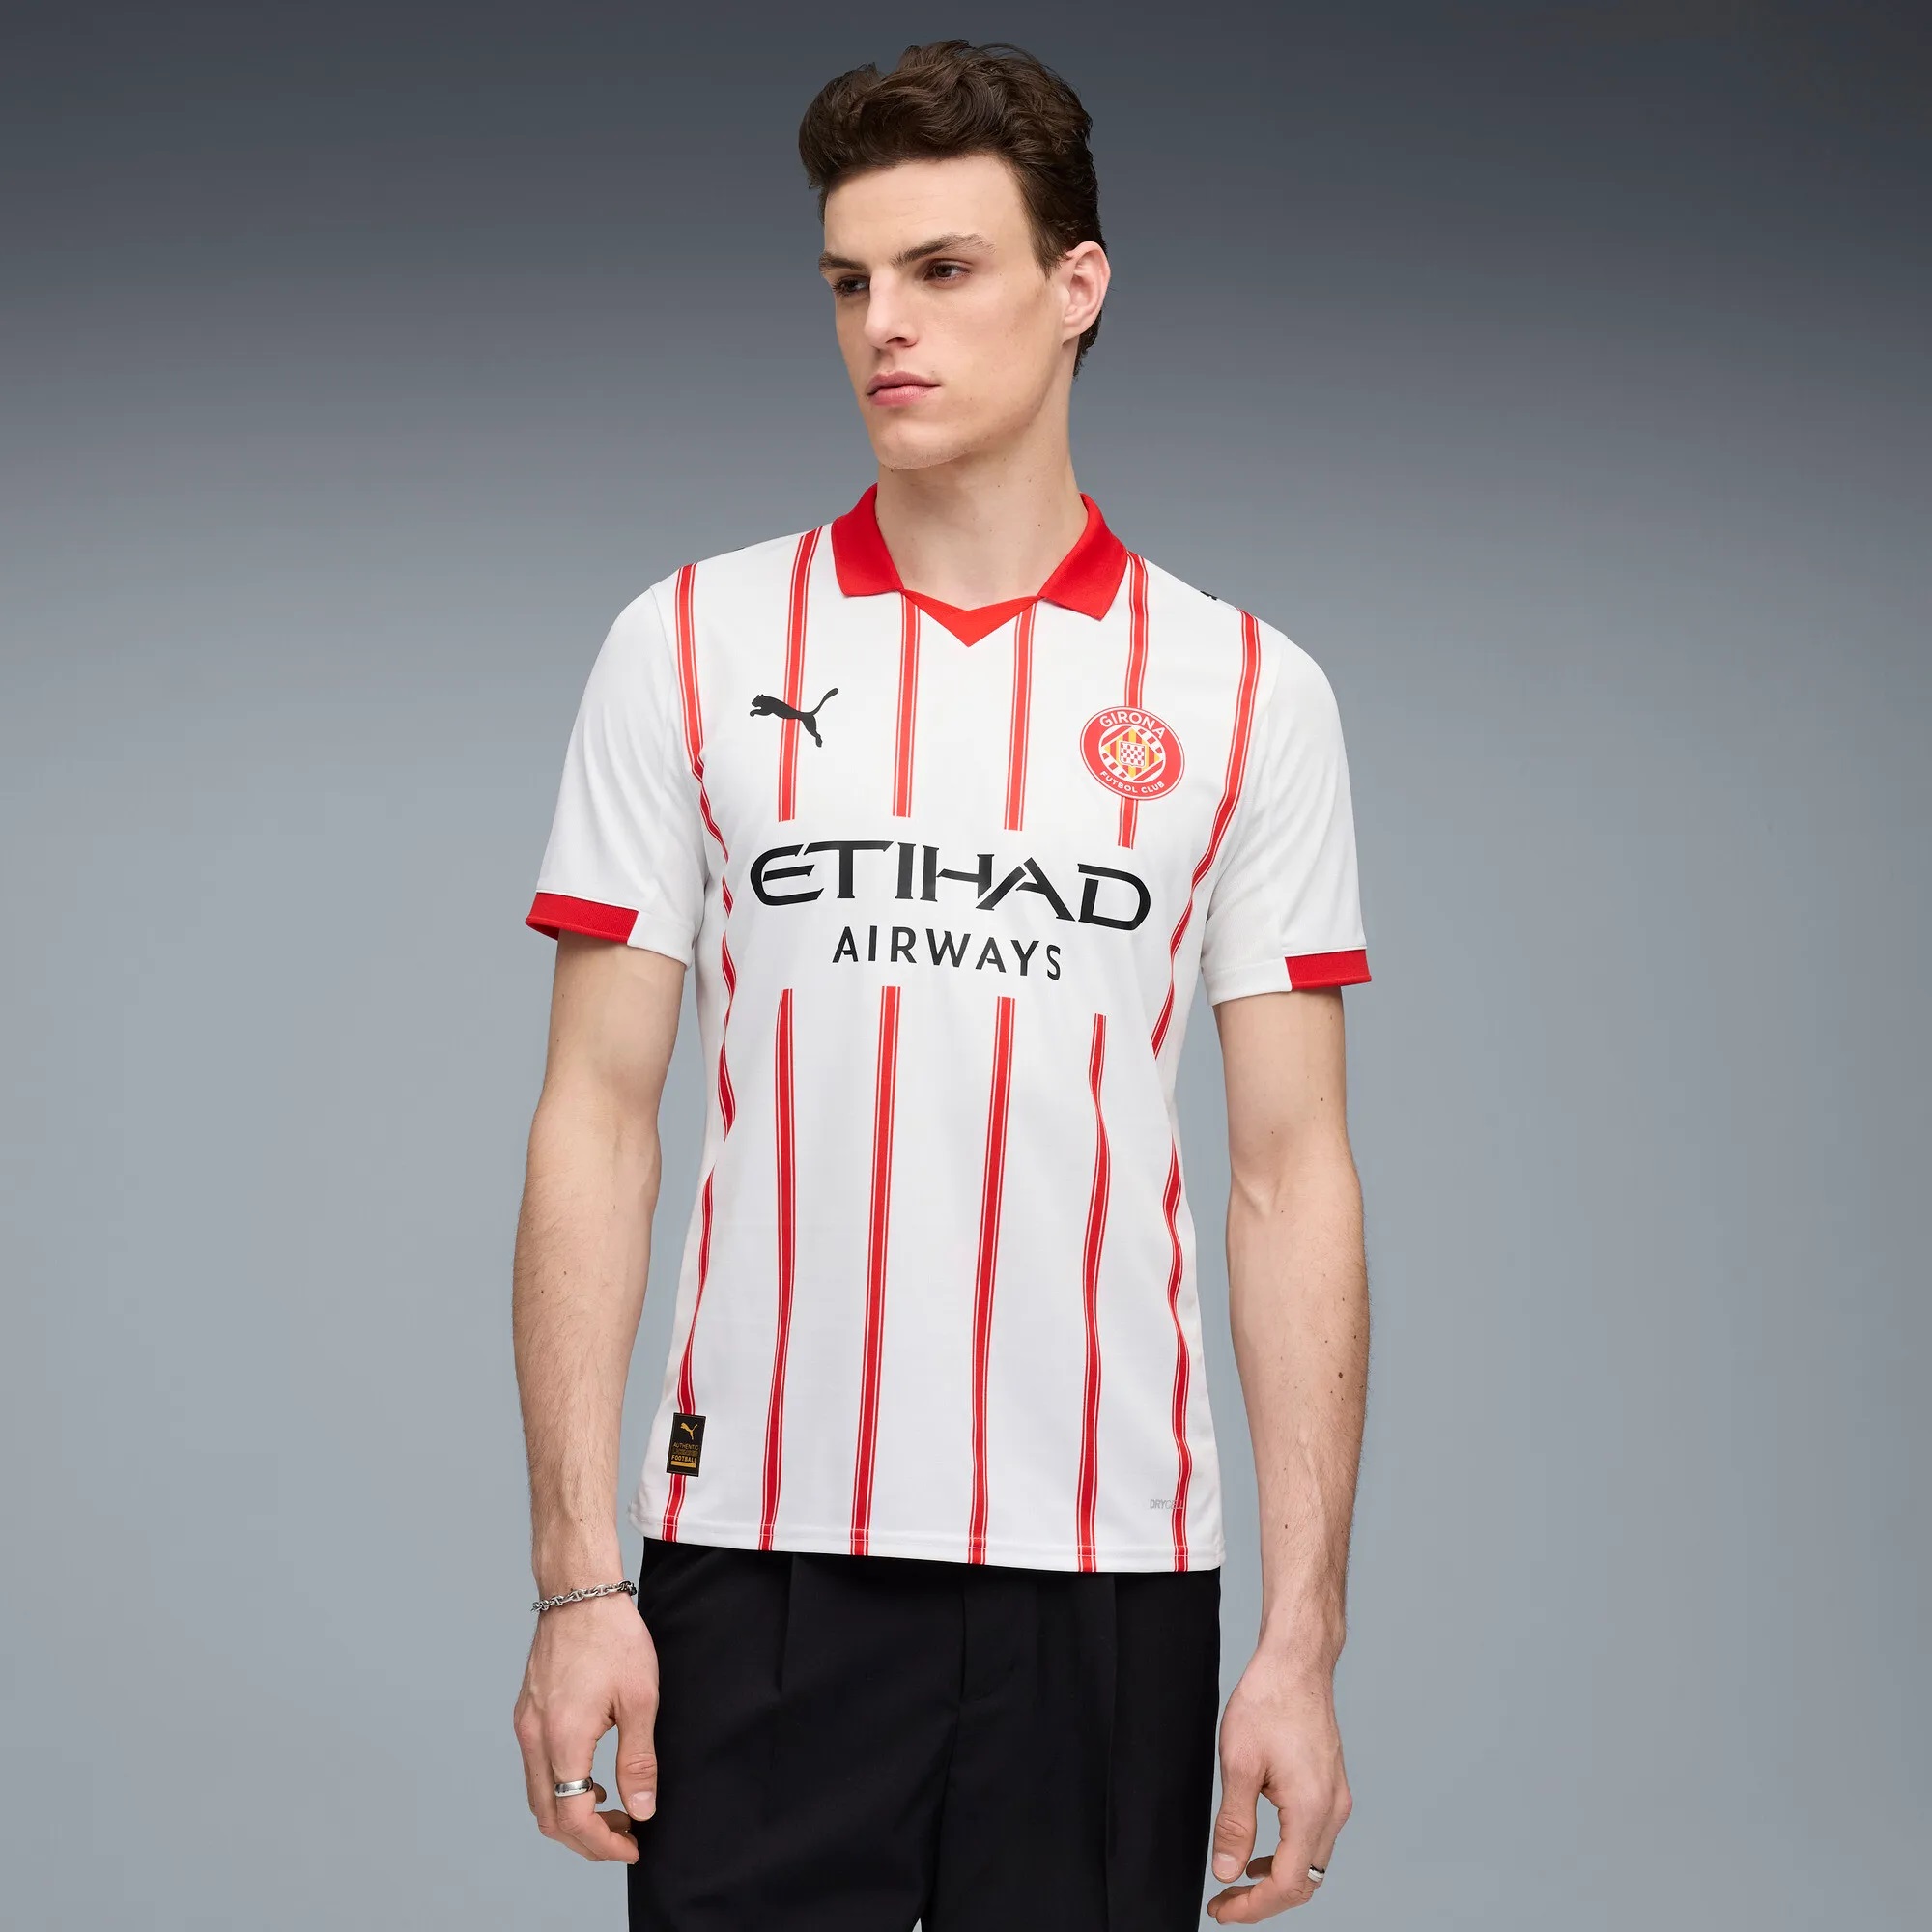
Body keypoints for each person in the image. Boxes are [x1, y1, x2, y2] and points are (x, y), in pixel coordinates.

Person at [510, 39, 1372, 1931]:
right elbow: (596, 1119)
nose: (882, 324)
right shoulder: (688, 641)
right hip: (753, 1557)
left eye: (943, 268)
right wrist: (580, 1583)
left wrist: (1299, 1642)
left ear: (1078, 286)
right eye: (850, 279)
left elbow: (1288, 1175)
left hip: (1107, 1574)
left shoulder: (1249, 691)